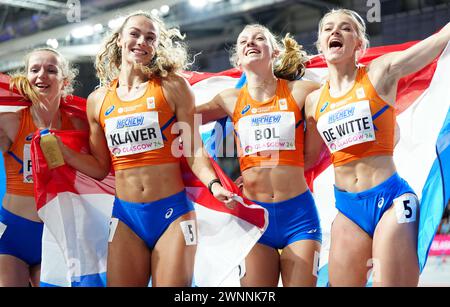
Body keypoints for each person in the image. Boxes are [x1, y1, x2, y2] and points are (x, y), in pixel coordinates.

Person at [58, 11, 235, 287]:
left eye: (150, 38)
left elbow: (193, 149)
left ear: (156, 46)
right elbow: (100, 167)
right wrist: (63, 152)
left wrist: (214, 185)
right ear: (119, 40)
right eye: (135, 34)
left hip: (173, 214)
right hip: (126, 216)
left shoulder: (173, 87)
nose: (142, 41)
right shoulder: (98, 100)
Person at [305, 8, 450, 286]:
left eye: (345, 28)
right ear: (321, 43)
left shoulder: (380, 72)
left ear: (359, 44)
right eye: (328, 28)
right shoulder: (313, 101)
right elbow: (309, 158)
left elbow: (435, 43)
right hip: (348, 208)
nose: (335, 32)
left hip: (391, 200)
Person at [196, 24, 322, 286]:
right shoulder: (229, 99)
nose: (250, 43)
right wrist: (215, 181)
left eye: (258, 38)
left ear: (274, 52)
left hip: (298, 216)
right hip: (254, 217)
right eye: (243, 41)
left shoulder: (301, 92)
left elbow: (342, 98)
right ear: (238, 58)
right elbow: (179, 121)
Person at [0, 47, 86, 286]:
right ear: (26, 78)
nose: (41, 76)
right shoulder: (11, 122)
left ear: (64, 80)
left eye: (51, 70)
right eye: (34, 69)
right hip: (12, 232)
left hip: (57, 232)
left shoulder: (78, 125)